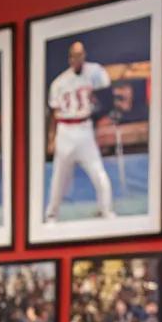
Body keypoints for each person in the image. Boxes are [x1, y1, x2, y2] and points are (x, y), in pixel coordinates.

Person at [45, 40, 115, 221]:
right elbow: (53, 114)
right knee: (59, 178)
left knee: (98, 173)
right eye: (75, 56)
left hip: (84, 129)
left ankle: (105, 210)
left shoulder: (95, 71)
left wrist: (98, 115)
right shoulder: (59, 82)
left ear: (84, 55)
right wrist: (51, 139)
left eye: (81, 54)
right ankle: (52, 214)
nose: (78, 59)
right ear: (69, 58)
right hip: (65, 131)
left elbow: (107, 96)